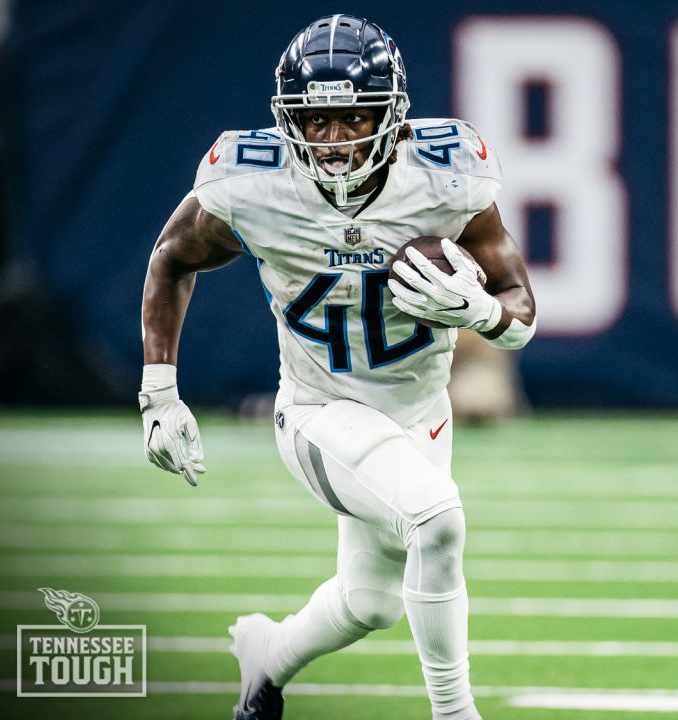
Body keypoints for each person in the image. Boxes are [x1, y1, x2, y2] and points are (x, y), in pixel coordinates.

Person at [138, 14, 536, 720]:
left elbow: (520, 312)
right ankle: (456, 714)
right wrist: (159, 394)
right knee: (438, 521)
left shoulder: (446, 177)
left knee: (370, 602)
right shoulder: (252, 185)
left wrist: (479, 312)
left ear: (393, 115)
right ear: (287, 119)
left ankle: (268, 661)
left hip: (419, 411)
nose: (332, 140)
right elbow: (171, 257)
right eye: (313, 120)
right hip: (317, 411)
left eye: (353, 117)